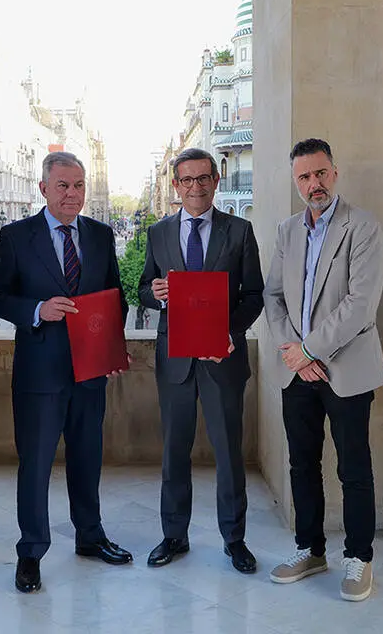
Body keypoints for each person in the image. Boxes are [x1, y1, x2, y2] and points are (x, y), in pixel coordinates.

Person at [0, 151, 132, 594]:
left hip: (90, 371)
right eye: (63, 185)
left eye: (79, 185)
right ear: (44, 188)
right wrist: (37, 309)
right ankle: (30, 552)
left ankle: (90, 536)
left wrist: (111, 351)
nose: (72, 193)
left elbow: (115, 297)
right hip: (39, 374)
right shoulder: (16, 236)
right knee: (35, 465)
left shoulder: (101, 235)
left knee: (87, 457)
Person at [262, 139, 383, 602]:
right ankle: (310, 550)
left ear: (334, 173)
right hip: (296, 371)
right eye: (304, 177)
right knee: (301, 463)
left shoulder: (364, 227)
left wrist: (309, 350)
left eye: (320, 173)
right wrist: (293, 351)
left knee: (354, 467)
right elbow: (273, 296)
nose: (313, 183)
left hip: (345, 369)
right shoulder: (287, 231)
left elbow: (360, 305)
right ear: (296, 181)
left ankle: (359, 557)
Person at [138, 148, 264, 574]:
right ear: (176, 185)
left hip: (222, 358)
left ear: (216, 180)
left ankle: (235, 539)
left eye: (203, 178)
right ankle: (174, 535)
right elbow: (143, 289)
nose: (196, 187)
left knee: (229, 453)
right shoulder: (158, 233)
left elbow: (254, 295)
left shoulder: (240, 231)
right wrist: (155, 293)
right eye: (187, 180)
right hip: (175, 360)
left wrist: (230, 334)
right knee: (174, 451)